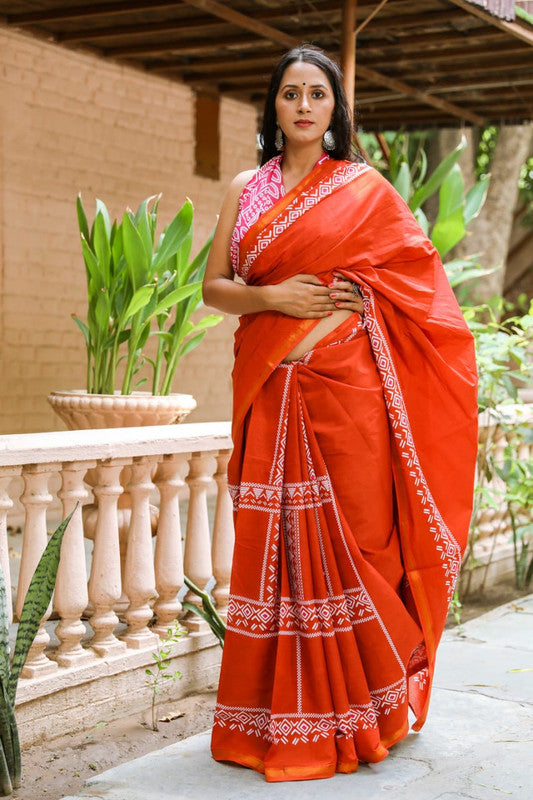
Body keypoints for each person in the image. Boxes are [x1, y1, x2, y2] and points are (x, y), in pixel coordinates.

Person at [202, 44, 478, 783]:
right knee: (273, 554)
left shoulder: (361, 187)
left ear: (333, 109)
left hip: (348, 387)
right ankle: (268, 725)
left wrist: (366, 296)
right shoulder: (245, 189)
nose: (301, 105)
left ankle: (372, 712)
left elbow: (419, 281)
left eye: (315, 94)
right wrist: (274, 297)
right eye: (289, 93)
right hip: (270, 389)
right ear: (273, 106)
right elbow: (214, 289)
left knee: (361, 544)